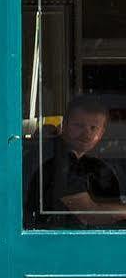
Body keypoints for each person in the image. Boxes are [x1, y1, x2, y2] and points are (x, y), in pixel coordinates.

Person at [36, 97, 126, 228]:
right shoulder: (58, 159)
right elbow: (89, 214)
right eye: (78, 126)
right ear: (64, 124)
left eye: (93, 128)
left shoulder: (83, 159)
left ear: (102, 132)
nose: (86, 134)